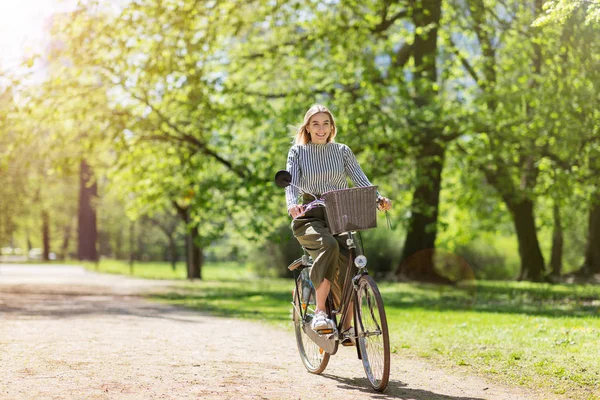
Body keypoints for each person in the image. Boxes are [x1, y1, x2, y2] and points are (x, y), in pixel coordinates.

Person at [286, 104, 392, 334]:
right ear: (308, 127)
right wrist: (292, 204)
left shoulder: (342, 150)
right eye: (315, 123)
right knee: (329, 245)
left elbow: (360, 178)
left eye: (326, 123)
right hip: (310, 216)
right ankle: (321, 313)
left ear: (332, 127)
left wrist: (379, 198)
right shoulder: (298, 152)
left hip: (341, 213)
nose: (321, 128)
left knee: (353, 262)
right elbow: (291, 184)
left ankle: (346, 326)